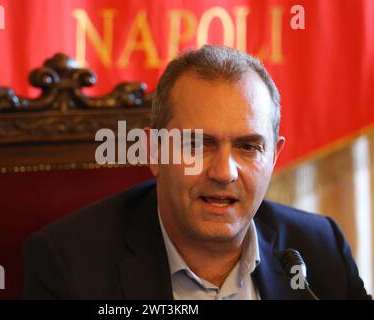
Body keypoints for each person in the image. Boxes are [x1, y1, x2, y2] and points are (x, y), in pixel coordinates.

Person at [23, 45, 370, 300]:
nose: (224, 172)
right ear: (154, 151)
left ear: (274, 156)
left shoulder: (318, 248)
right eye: (198, 145)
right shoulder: (69, 264)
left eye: (248, 147)